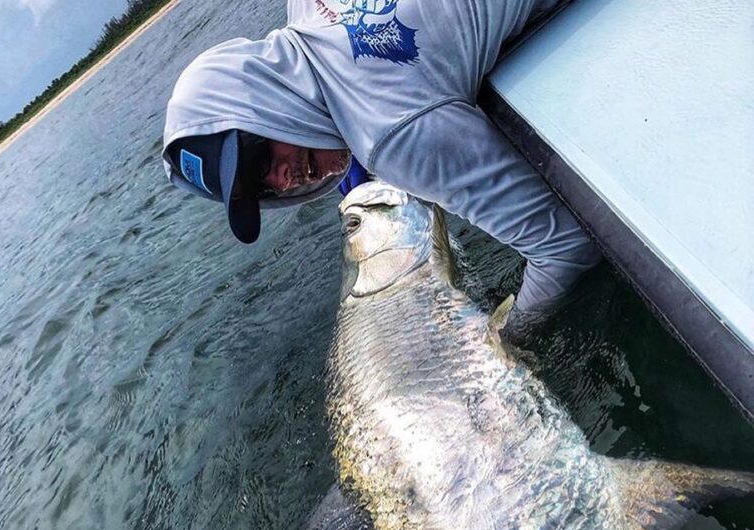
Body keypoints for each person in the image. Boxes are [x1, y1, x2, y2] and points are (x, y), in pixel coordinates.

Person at [162, 0, 601, 322]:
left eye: (259, 159)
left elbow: (566, 249)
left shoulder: (392, 141)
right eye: (261, 191)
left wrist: (512, 336)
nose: (282, 180)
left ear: (258, 98)